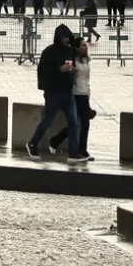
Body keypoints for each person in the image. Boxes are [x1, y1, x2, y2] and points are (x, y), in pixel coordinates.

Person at [26, 24, 89, 163]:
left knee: (73, 122)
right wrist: (60, 69)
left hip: (67, 92)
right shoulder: (49, 52)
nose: (67, 40)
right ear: (59, 37)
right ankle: (32, 143)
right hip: (53, 92)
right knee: (48, 120)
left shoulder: (70, 51)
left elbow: (76, 56)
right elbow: (44, 70)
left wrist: (71, 70)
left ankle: (73, 154)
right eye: (65, 37)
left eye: (68, 37)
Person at [48, 35, 95, 160]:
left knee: (79, 124)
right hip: (75, 94)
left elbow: (86, 78)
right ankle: (82, 150)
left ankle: (56, 140)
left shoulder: (86, 60)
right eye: (83, 45)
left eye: (86, 45)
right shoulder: (72, 60)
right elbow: (68, 75)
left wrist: (88, 91)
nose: (86, 47)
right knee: (82, 123)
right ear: (77, 48)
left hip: (85, 93)